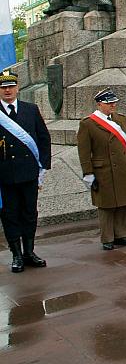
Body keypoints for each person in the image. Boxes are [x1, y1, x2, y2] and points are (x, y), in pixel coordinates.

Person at [0, 70, 51, 273]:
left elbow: (43, 138)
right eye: (3, 87)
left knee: (30, 213)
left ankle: (29, 252)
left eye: (11, 86)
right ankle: (17, 255)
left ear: (17, 88)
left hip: (29, 173)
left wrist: (43, 167)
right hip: (5, 176)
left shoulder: (31, 109)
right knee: (10, 215)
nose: (7, 90)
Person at [76, 88, 126, 250]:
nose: (112, 105)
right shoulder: (88, 123)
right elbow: (84, 151)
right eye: (108, 103)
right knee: (107, 205)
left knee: (124, 203)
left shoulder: (121, 120)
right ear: (99, 104)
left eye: (113, 102)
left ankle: (122, 234)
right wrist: (88, 173)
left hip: (122, 167)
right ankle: (108, 238)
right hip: (103, 170)